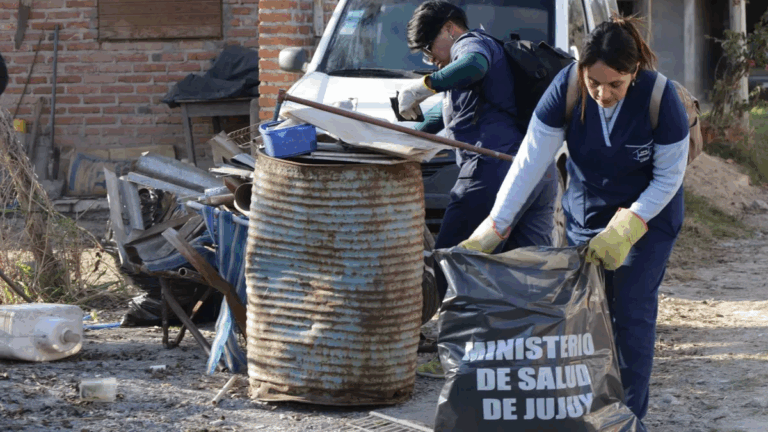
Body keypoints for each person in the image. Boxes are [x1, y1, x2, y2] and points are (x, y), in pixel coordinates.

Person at [461, 14, 689, 422]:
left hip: (647, 221)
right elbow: (531, 161)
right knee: (582, 321)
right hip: (586, 216)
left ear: (633, 73)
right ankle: (587, 416)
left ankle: (628, 421)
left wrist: (628, 226)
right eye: (594, 82)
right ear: (582, 71)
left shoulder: (660, 98)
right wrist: (495, 225)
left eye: (615, 84)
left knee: (631, 318)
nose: (602, 93)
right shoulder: (565, 89)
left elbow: (669, 176)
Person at [398, 0, 558, 378]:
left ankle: (452, 354)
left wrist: (424, 85)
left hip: (492, 170)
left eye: (429, 50)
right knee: (523, 271)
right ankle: (526, 359)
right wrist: (397, 137)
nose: (431, 61)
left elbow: (472, 66)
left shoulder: (472, 45)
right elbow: (441, 117)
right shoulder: (487, 65)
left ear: (450, 30)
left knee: (453, 261)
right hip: (537, 174)